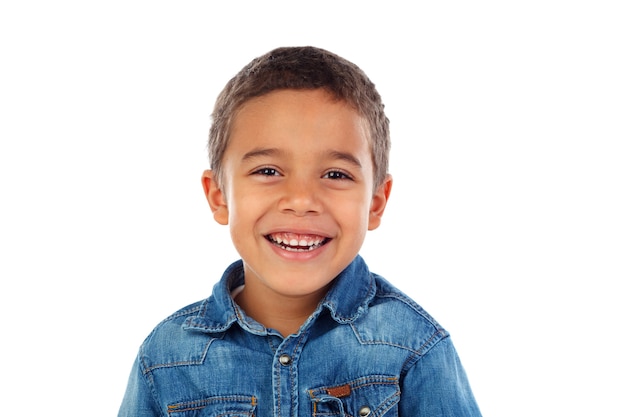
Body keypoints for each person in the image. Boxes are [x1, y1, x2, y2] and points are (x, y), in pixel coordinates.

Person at [118, 46, 482, 417]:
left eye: (336, 175)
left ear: (375, 202)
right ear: (219, 195)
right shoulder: (165, 359)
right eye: (268, 171)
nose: (301, 200)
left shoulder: (413, 347)